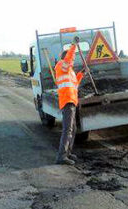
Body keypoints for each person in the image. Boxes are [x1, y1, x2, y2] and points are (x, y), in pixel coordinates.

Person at [55, 36, 84, 165]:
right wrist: (73, 46)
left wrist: (81, 73)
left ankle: (67, 152)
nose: (72, 60)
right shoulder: (62, 65)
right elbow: (68, 59)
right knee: (68, 129)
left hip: (71, 100)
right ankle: (61, 156)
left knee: (73, 128)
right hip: (67, 100)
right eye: (71, 58)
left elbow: (75, 84)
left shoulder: (69, 71)